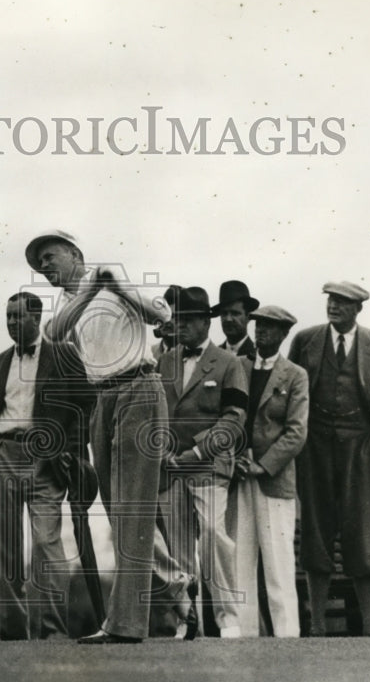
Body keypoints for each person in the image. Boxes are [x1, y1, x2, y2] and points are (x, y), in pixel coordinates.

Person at [25, 229, 186, 644]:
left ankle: (124, 625)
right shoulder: (69, 302)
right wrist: (90, 289)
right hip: (104, 400)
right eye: (38, 263)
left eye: (50, 256)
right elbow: (54, 333)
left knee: (132, 511)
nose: (44, 267)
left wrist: (114, 284)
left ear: (75, 253)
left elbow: (161, 315)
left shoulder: (115, 280)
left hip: (139, 388)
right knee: (118, 511)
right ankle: (178, 585)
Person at [288, 281, 370, 636]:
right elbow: (290, 392)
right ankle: (318, 627)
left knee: (364, 535)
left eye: (342, 302)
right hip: (316, 450)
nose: (333, 306)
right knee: (316, 533)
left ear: (358, 309)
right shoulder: (305, 340)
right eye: (330, 300)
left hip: (361, 449)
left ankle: (369, 628)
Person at [0, 291, 94, 639]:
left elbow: (85, 407)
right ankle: (14, 635)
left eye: (18, 316)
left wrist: (69, 452)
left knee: (47, 544)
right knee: (6, 550)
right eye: (8, 316)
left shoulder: (64, 355)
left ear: (36, 317)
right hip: (2, 456)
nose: (12, 323)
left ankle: (52, 632)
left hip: (46, 460)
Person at [156, 286, 247, 638]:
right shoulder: (163, 361)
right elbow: (155, 413)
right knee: (178, 546)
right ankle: (186, 620)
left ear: (205, 323)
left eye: (189, 320)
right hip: (170, 470)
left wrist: (196, 451)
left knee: (212, 535)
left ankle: (228, 619)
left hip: (208, 466)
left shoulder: (229, 363)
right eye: (177, 320)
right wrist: (163, 451)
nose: (181, 326)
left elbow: (233, 419)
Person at [233, 305, 308, 638]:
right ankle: (246, 638)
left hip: (272, 478)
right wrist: (234, 458)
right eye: (258, 325)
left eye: (269, 327)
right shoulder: (239, 366)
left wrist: (262, 466)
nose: (261, 331)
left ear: (283, 334)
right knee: (239, 560)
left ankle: (286, 637)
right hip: (237, 474)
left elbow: (296, 432)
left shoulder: (294, 375)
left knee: (278, 563)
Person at [212, 280, 259, 359]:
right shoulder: (212, 355)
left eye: (235, 313)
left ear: (248, 316)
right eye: (224, 313)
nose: (228, 319)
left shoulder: (258, 357)